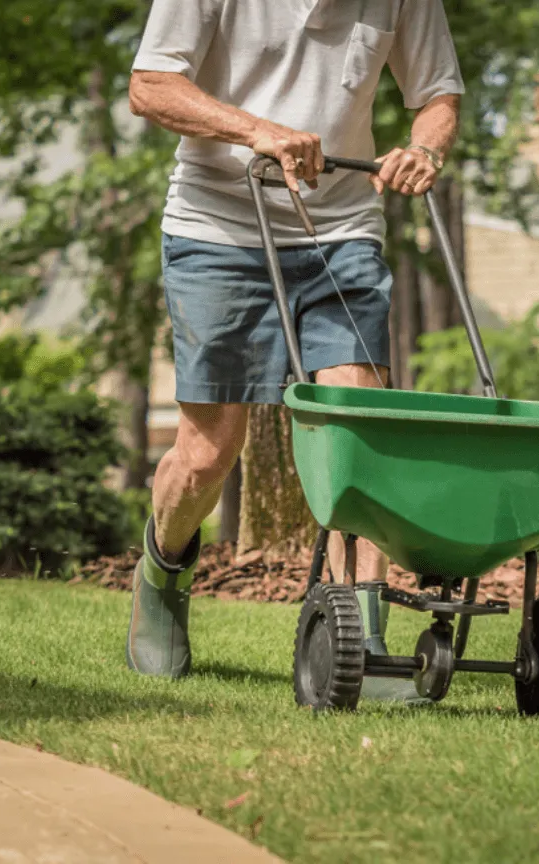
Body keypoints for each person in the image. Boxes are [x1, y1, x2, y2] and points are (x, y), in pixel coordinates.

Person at [124, 0, 463, 696]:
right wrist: (259, 131)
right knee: (209, 453)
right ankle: (162, 578)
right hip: (216, 228)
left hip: (341, 232)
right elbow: (151, 84)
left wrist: (424, 148)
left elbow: (437, 95)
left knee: (356, 439)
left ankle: (361, 643)